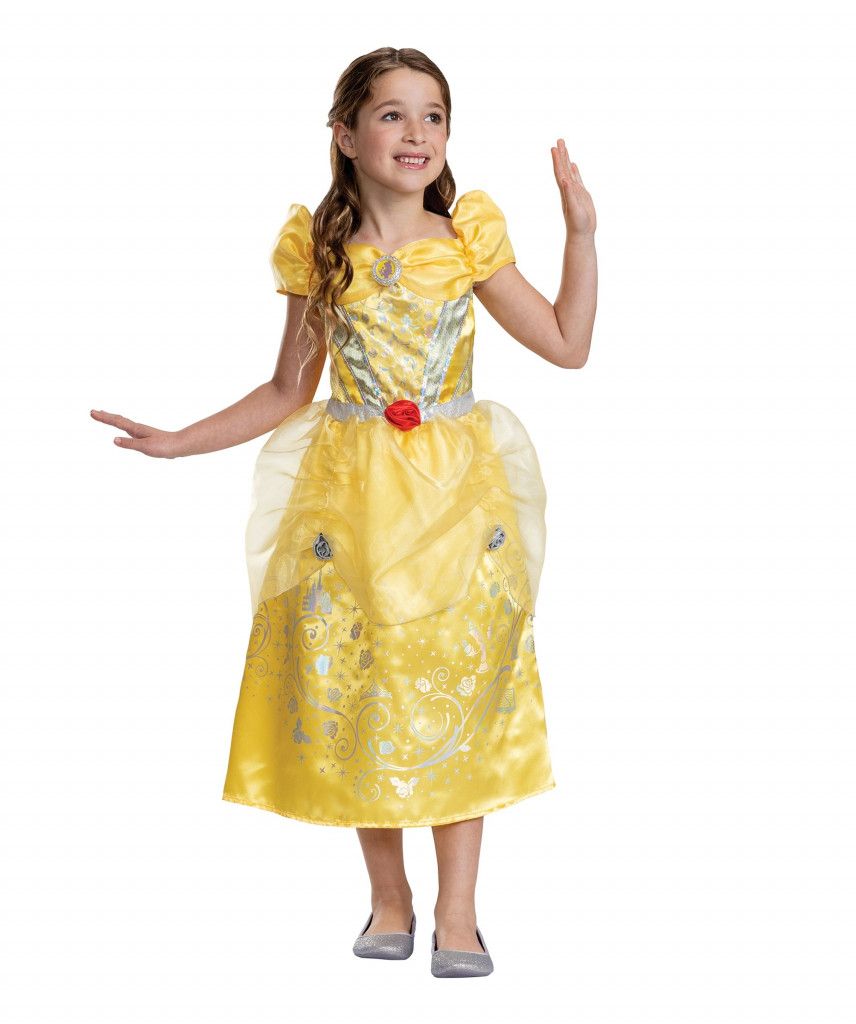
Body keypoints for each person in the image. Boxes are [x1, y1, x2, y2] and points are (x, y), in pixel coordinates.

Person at [90, 46, 597, 978]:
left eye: (434, 115)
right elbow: (288, 388)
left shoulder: (468, 241)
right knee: (362, 686)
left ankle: (458, 912)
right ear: (347, 135)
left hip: (455, 499)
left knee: (459, 684)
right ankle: (389, 898)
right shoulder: (322, 253)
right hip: (352, 501)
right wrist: (179, 440)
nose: (417, 133)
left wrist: (582, 235)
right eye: (393, 114)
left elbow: (567, 344)